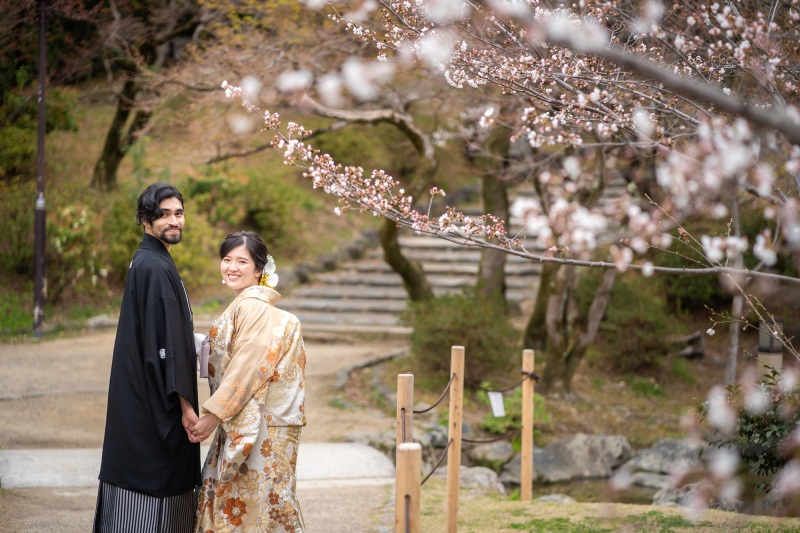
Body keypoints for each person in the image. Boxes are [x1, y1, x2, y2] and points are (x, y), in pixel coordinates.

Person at [93, 182, 201, 533]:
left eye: (179, 213)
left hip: (137, 392)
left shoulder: (148, 260)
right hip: (153, 400)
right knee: (155, 484)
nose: (174, 221)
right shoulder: (154, 266)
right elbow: (168, 343)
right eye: (164, 214)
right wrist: (186, 407)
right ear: (145, 219)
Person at [191, 231, 307, 533]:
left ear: (259, 270)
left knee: (256, 510)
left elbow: (247, 366)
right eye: (227, 259)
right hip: (259, 418)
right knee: (264, 508)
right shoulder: (247, 305)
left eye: (242, 261)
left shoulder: (253, 306)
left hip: (260, 423)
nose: (232, 267)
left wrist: (214, 415)